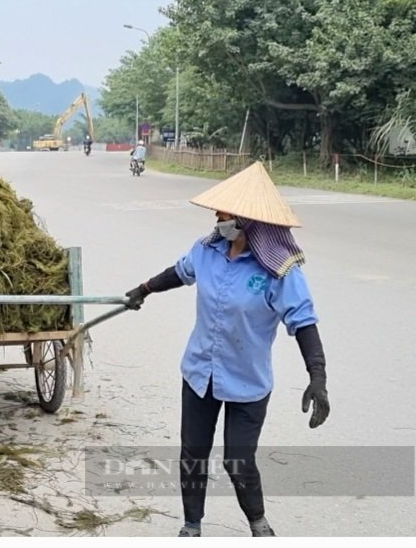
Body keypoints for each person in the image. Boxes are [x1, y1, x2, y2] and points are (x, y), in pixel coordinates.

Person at [122, 161, 330, 538]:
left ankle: (257, 522)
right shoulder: (206, 251)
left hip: (247, 381)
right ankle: (191, 525)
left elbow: (303, 322)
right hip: (200, 373)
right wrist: (145, 288)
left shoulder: (279, 270)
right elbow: (180, 272)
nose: (218, 219)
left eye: (225, 213)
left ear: (249, 221)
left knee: (239, 460)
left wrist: (318, 377)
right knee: (193, 454)